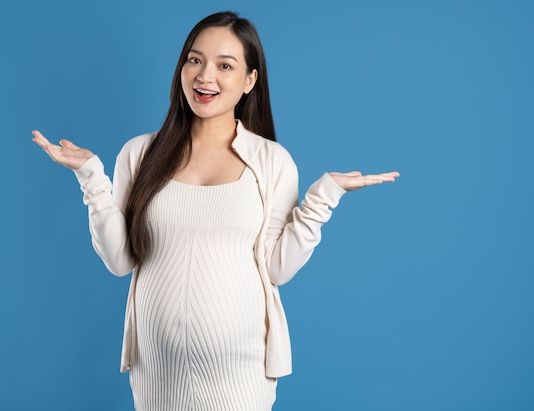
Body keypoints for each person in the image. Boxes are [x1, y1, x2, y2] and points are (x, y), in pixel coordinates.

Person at [32, 10, 399, 411]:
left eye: (225, 65)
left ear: (249, 80)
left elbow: (277, 268)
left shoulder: (271, 161)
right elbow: (120, 261)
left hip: (241, 375)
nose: (205, 76)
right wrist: (91, 177)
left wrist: (323, 197)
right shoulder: (140, 155)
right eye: (195, 60)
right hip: (158, 372)